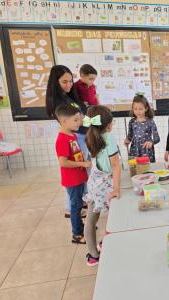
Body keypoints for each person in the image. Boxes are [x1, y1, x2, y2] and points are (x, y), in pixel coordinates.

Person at [46, 65, 88, 218]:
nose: (69, 84)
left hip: (80, 136)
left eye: (71, 81)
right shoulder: (59, 101)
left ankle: (78, 204)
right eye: (64, 82)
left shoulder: (69, 95)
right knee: (74, 177)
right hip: (77, 137)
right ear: (55, 82)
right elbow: (64, 162)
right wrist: (86, 121)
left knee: (80, 174)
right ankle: (71, 209)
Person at [83, 105, 121, 266]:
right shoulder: (109, 137)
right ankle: (108, 242)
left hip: (94, 182)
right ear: (108, 125)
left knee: (91, 219)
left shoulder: (91, 135)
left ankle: (93, 255)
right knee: (115, 217)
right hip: (105, 183)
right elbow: (115, 165)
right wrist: (117, 189)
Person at [55, 104, 91, 244]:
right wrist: (82, 164)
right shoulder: (62, 139)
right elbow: (63, 162)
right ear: (64, 121)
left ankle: (83, 228)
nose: (79, 122)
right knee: (75, 208)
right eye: (76, 120)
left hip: (79, 177)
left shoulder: (72, 135)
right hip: (72, 180)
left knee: (80, 205)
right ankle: (76, 234)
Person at [124, 94, 160, 162]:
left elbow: (157, 138)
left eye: (140, 109)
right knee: (135, 169)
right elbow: (130, 136)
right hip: (134, 151)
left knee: (147, 170)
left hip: (146, 151)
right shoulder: (132, 122)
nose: (138, 111)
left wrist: (151, 142)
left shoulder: (150, 121)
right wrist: (127, 140)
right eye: (135, 109)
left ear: (146, 108)